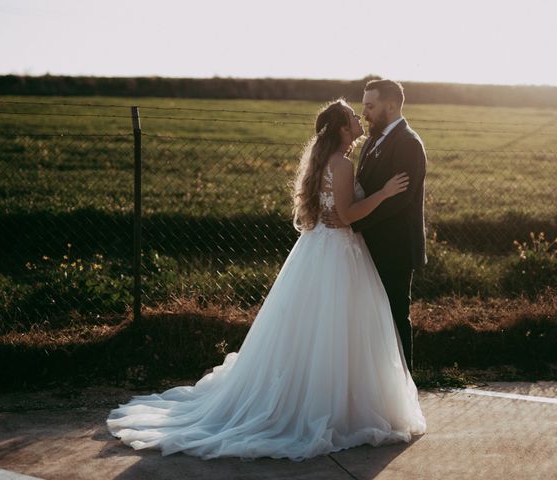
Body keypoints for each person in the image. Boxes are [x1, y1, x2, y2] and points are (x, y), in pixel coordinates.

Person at [106, 99, 426, 462]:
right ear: (341, 128)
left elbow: (334, 211)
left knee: (312, 330)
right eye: (353, 116)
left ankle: (314, 394)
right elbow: (348, 215)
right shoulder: (342, 163)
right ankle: (332, 405)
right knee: (337, 328)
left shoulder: (323, 160)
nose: (359, 118)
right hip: (338, 253)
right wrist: (383, 193)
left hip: (318, 249)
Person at [322, 79, 427, 373]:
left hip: (394, 247)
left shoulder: (408, 143)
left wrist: (350, 220)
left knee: (394, 315)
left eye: (370, 106)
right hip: (369, 244)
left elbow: (400, 201)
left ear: (391, 105)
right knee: (371, 318)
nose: (364, 112)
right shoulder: (372, 140)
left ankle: (404, 385)